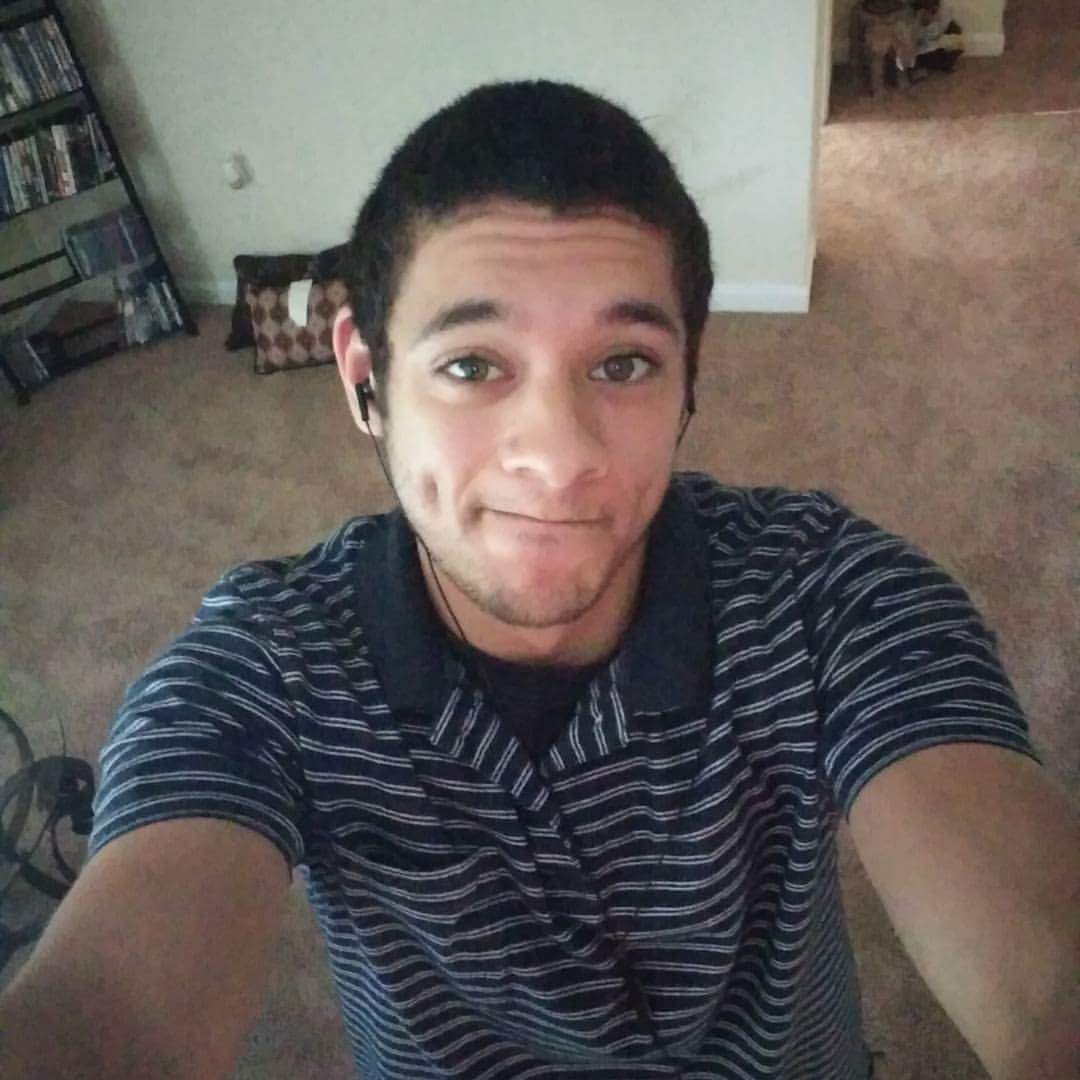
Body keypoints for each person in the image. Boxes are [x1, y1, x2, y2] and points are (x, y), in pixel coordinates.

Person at [2, 79, 1078, 1080]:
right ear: (367, 379)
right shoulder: (265, 668)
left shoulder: (831, 596)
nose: (558, 456)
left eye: (623, 364)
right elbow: (117, 1017)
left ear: (689, 379)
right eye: (472, 365)